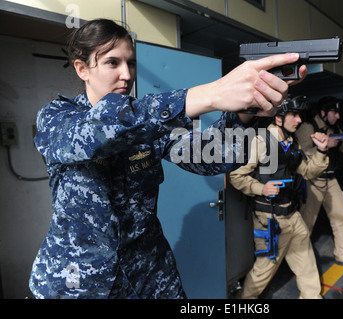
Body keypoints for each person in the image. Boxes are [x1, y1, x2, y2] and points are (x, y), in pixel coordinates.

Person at [29, 19, 309, 299]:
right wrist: (211, 94)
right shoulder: (58, 118)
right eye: (112, 63)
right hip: (81, 284)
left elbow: (207, 156)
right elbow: (95, 135)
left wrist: (246, 110)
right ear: (82, 69)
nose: (126, 75)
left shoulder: (149, 124)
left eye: (132, 63)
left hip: (149, 275)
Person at [228, 96, 329, 299]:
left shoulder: (291, 143)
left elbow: (308, 171)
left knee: (306, 261)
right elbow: (236, 175)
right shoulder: (261, 141)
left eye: (299, 115)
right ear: (279, 118)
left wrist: (321, 151)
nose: (299, 120)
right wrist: (261, 188)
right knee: (265, 267)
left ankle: (312, 296)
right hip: (269, 218)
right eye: (293, 114)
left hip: (292, 214)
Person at [295, 96, 343, 268]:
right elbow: (301, 154)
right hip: (312, 181)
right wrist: (323, 146)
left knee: (341, 217)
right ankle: (296, 256)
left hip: (331, 179)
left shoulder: (335, 128)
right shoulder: (308, 127)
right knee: (307, 221)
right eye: (335, 113)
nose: (338, 117)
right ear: (323, 113)